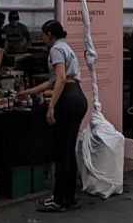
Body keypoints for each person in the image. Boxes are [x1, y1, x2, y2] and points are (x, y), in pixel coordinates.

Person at [17, 20, 87, 212]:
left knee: (61, 151)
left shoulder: (56, 50)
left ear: (49, 34)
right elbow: (52, 81)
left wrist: (51, 107)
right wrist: (28, 92)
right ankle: (69, 198)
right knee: (69, 150)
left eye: (43, 35)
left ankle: (58, 199)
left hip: (68, 99)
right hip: (78, 97)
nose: (42, 39)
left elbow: (61, 79)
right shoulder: (66, 47)